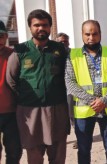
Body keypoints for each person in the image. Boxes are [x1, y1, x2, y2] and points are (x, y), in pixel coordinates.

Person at [6, 9, 69, 163]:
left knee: (58, 152)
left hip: (57, 109)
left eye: (45, 25)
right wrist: (28, 94)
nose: (41, 28)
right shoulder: (20, 51)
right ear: (30, 27)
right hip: (30, 110)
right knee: (34, 154)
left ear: (50, 27)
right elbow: (11, 79)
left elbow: (68, 75)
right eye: (37, 25)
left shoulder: (60, 49)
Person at [65, 20, 107, 164]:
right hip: (84, 110)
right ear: (82, 35)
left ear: (100, 34)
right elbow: (70, 82)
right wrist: (92, 101)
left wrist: (104, 100)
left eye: (95, 34)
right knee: (84, 149)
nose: (91, 37)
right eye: (87, 34)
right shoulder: (73, 56)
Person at [0, 20, 22, 164]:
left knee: (14, 152)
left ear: (6, 36)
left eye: (1, 36)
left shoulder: (14, 55)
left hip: (12, 113)